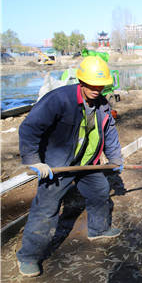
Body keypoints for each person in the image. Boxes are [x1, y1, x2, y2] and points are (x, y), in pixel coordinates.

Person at [16, 56, 124, 277]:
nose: (97, 89)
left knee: (100, 192)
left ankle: (98, 229)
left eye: (100, 85)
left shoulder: (103, 104)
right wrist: (34, 160)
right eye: (92, 85)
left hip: (87, 163)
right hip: (57, 166)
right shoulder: (59, 100)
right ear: (81, 81)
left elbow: (110, 134)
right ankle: (28, 257)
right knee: (46, 210)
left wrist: (115, 159)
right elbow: (29, 128)